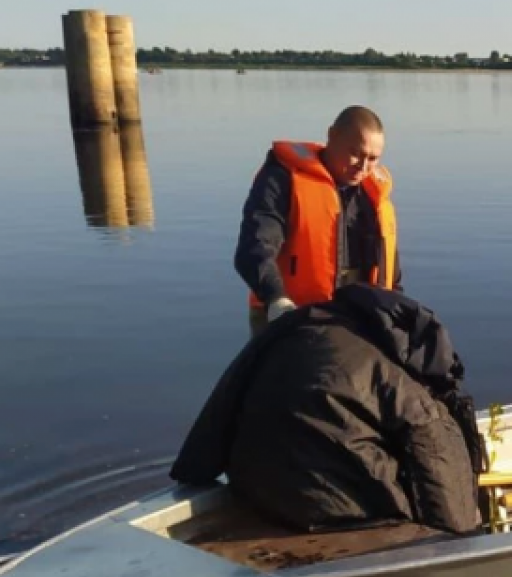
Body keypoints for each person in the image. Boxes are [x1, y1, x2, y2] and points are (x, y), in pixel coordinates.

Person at [170, 285, 485, 535]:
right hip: (344, 512)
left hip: (259, 497)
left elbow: (220, 406)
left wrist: (193, 472)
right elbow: (437, 452)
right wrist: (461, 541)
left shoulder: (285, 333)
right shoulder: (396, 376)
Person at [235, 105, 401, 335]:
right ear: (332, 136)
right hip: (288, 316)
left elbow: (392, 270)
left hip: (360, 318)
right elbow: (254, 248)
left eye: (372, 158)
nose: (362, 167)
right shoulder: (282, 178)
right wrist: (276, 300)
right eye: (355, 153)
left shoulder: (373, 195)